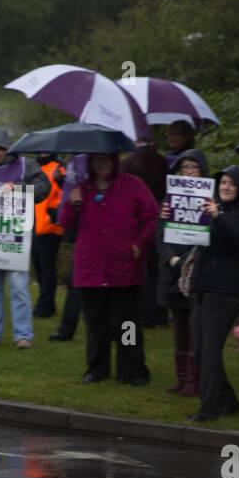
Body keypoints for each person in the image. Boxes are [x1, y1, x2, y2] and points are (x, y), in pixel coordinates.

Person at [61, 152, 158, 385]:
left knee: (126, 323)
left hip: (125, 267)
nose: (102, 163)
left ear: (114, 161)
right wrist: (73, 205)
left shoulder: (133, 185)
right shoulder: (81, 189)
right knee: (96, 321)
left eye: (106, 158)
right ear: (90, 163)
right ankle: (97, 367)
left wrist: (139, 244)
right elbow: (65, 223)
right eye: (97, 159)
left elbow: (152, 217)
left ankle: (132, 368)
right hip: (91, 268)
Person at [183, 165, 239, 420]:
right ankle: (229, 401)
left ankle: (209, 409)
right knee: (202, 350)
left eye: (232, 183)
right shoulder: (211, 208)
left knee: (210, 350)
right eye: (223, 182)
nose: (226, 187)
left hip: (225, 290)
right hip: (202, 286)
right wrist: (173, 215)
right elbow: (187, 234)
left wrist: (218, 217)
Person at [0, 129, 51, 348]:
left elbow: (45, 188)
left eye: (0, 149)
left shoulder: (26, 165)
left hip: (16, 242)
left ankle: (23, 336)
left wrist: (19, 188)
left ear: (9, 149)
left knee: (19, 288)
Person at [156, 148, 209, 396]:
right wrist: (173, 259)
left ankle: (193, 379)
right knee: (178, 323)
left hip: (198, 271)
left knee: (194, 326)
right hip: (173, 271)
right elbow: (159, 237)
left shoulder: (211, 200)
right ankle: (181, 377)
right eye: (184, 168)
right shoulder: (168, 201)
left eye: (193, 168)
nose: (188, 172)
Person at [122, 134, 171, 326]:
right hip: (157, 220)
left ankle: (140, 316)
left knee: (139, 272)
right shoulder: (162, 162)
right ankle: (157, 312)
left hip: (135, 224)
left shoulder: (128, 163)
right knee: (154, 269)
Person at [48, 153, 89, 342]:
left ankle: (117, 332)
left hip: (93, 227)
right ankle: (66, 329)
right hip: (76, 223)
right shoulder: (76, 158)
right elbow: (72, 185)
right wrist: (61, 179)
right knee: (75, 281)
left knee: (96, 286)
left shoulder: (97, 159)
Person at [31, 152, 64, 318]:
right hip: (33, 224)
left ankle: (45, 306)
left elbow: (65, 192)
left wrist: (55, 211)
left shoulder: (59, 168)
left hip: (50, 225)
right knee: (38, 265)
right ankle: (47, 303)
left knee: (47, 266)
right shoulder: (33, 167)